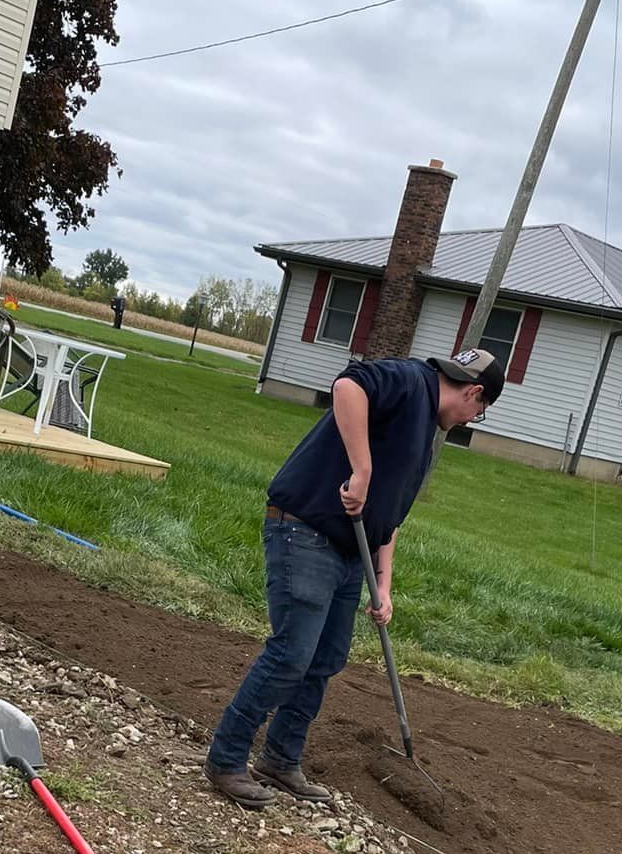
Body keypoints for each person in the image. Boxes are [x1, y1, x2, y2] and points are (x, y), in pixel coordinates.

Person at [205, 345, 506, 808]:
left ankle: (280, 760)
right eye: (479, 412)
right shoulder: (410, 382)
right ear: (474, 392)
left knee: (325, 659)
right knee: (291, 655)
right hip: (304, 529)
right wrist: (361, 468)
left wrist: (383, 585)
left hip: (349, 554)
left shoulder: (424, 431)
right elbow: (347, 386)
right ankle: (226, 758)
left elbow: (389, 519)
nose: (471, 419)